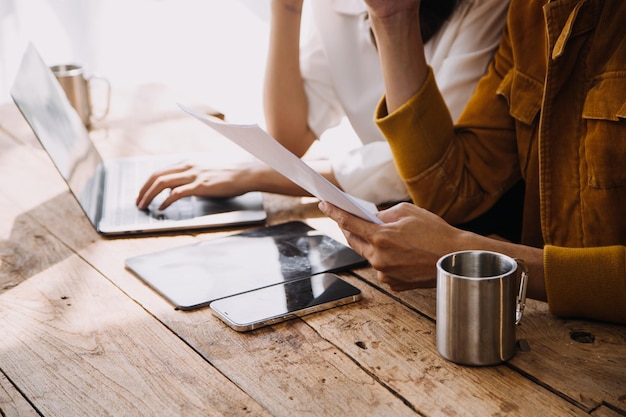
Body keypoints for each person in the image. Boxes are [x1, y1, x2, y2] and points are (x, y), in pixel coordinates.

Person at [318, 0, 626, 324]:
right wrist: (393, 16)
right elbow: (454, 189)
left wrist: (472, 254)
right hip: (554, 340)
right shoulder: (529, 13)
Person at [136, 0, 511, 214]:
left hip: (472, 225)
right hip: (382, 218)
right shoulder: (338, 5)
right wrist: (286, 8)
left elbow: (436, 167)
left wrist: (259, 174)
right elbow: (290, 135)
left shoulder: (488, 7)